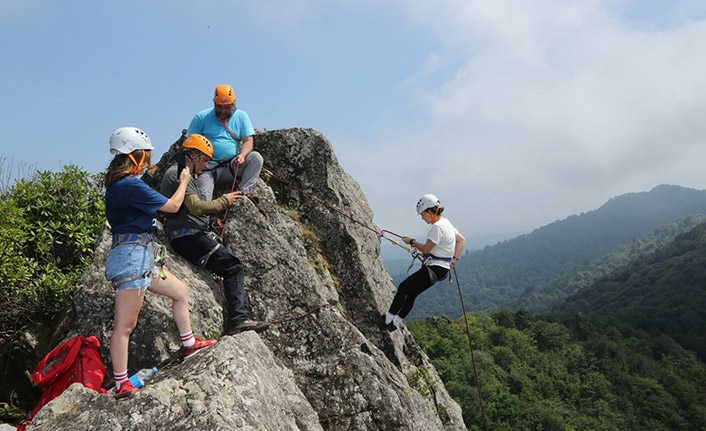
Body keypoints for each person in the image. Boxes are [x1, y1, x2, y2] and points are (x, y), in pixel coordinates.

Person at [104, 127, 217, 395]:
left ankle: (189, 344)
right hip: (133, 257)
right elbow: (173, 206)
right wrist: (184, 181)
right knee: (125, 326)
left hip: (139, 255)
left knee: (180, 291)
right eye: (145, 156)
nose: (148, 161)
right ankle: (121, 384)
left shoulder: (118, 185)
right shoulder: (130, 185)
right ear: (135, 156)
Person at [160, 134, 270, 336]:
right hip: (188, 237)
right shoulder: (177, 174)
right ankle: (238, 320)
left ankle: (238, 318)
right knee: (233, 267)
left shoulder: (183, 174)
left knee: (230, 266)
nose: (206, 165)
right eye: (204, 159)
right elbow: (196, 207)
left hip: (188, 235)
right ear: (192, 155)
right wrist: (224, 201)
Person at [377, 194, 466, 331]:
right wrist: (454, 259)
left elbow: (425, 249)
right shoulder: (447, 224)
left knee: (403, 288)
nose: (422, 218)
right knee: (412, 293)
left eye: (422, 215)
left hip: (434, 268)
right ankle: (394, 324)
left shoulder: (438, 228)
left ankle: (386, 320)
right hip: (441, 269)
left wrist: (411, 242)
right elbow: (461, 240)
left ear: (430, 212)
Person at [186, 84, 263, 202]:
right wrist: (193, 168)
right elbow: (189, 144)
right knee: (204, 197)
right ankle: (203, 218)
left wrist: (242, 156)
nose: (222, 111)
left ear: (234, 104)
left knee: (255, 158)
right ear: (214, 103)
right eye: (219, 107)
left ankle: (244, 195)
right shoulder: (202, 117)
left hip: (231, 166)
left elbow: (248, 140)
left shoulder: (241, 116)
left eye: (227, 108)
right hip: (206, 167)